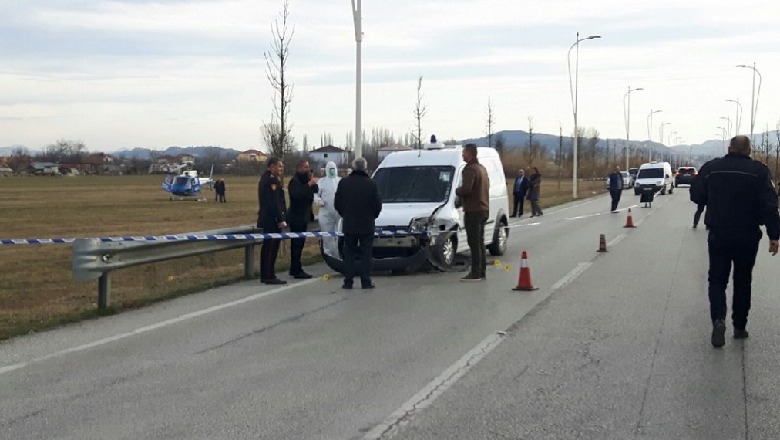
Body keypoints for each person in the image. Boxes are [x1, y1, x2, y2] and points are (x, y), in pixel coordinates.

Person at [691, 135, 780, 348]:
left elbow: (696, 194)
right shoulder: (759, 171)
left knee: (717, 280)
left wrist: (713, 199)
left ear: (730, 148)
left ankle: (718, 320)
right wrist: (774, 235)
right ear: (749, 150)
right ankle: (739, 326)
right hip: (747, 235)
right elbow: (770, 205)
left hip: (719, 233)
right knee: (743, 280)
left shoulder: (712, 168)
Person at [334, 157, 382, 289]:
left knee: (349, 252)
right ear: (365, 168)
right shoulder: (371, 184)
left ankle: (348, 281)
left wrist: (345, 214)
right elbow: (377, 205)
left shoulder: (344, 183)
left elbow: (337, 203)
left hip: (349, 223)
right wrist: (373, 216)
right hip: (366, 224)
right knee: (366, 253)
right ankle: (365, 281)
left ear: (353, 168)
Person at [455, 143, 489, 281]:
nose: (462, 155)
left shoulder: (469, 170)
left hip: (473, 210)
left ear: (469, 153)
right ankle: (481, 271)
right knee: (480, 242)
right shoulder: (482, 168)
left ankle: (475, 273)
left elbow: (467, 189)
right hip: (484, 208)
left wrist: (456, 190)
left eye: (464, 152)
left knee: (474, 243)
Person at [257, 157, 287, 285]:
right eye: (279, 166)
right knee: (271, 248)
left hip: (268, 218)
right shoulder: (271, 180)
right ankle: (269, 275)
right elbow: (273, 203)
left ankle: (266, 274)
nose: (281, 169)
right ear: (272, 166)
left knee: (268, 247)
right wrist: (280, 219)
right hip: (271, 219)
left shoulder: (265, 178)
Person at [287, 160, 319, 279]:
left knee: (300, 245)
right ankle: (296, 269)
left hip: (304, 216)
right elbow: (297, 195)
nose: (308, 169)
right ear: (299, 168)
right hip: (296, 217)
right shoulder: (294, 182)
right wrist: (308, 184)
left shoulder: (306, 181)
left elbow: (315, 191)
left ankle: (295, 267)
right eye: (305, 167)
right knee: (296, 244)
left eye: (308, 167)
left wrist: (312, 182)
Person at [315, 161, 342, 258]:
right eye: (330, 169)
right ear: (326, 170)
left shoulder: (340, 181)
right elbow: (315, 193)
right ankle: (329, 256)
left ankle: (340, 255)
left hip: (339, 213)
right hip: (325, 212)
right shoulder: (322, 182)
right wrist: (318, 200)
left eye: (333, 169)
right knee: (327, 236)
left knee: (340, 235)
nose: (332, 171)